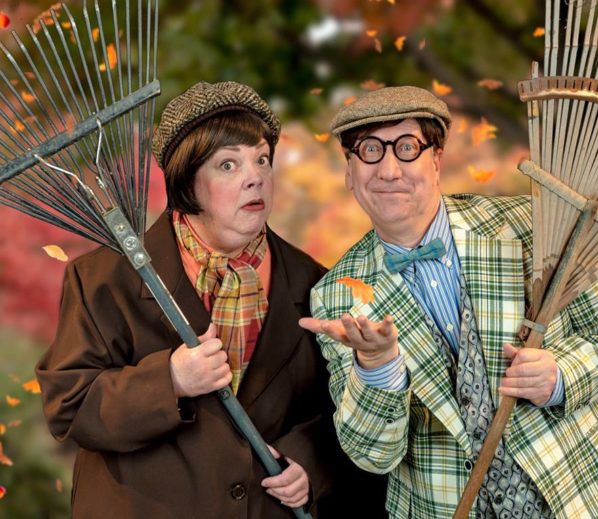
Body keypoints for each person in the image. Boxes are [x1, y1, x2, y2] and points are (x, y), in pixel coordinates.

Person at [36, 81, 386, 519]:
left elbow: (341, 409)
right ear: (187, 182)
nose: (255, 176)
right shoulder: (104, 279)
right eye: (228, 165)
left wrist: (308, 465)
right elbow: (70, 408)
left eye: (261, 160)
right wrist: (170, 380)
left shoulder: (314, 283)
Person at [300, 85, 598, 518]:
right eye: (370, 150)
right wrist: (378, 368)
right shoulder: (337, 294)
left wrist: (562, 375)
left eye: (407, 147)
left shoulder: (529, 225)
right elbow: (373, 455)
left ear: (437, 161)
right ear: (349, 172)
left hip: (591, 498)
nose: (389, 169)